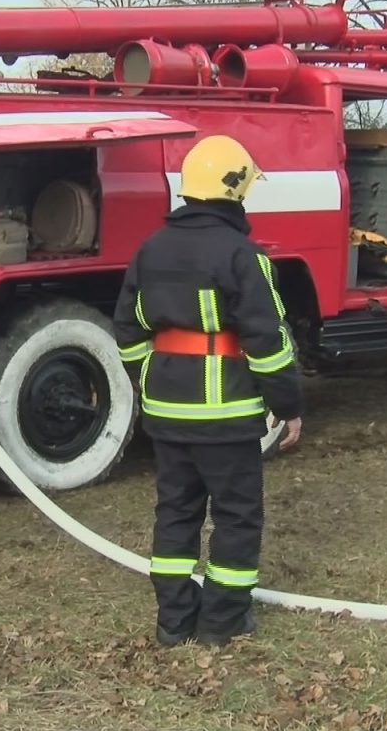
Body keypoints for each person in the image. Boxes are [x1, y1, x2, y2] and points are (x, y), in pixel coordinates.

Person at [112, 134, 305, 648]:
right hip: (228, 415)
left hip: (167, 414)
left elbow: (128, 331)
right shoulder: (246, 257)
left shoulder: (149, 251)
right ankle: (222, 623)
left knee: (175, 512)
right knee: (237, 516)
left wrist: (149, 379)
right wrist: (288, 406)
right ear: (236, 191)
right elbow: (267, 343)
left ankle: (173, 622)